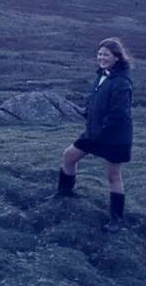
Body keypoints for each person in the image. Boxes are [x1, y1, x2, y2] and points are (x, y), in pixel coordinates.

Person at [56, 37, 134, 232]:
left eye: (106, 55)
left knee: (113, 175)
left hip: (114, 136)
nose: (101, 58)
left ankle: (116, 220)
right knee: (69, 156)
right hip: (94, 132)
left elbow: (119, 113)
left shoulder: (122, 81)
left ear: (117, 57)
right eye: (99, 54)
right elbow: (96, 100)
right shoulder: (102, 74)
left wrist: (101, 128)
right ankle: (65, 193)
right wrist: (87, 112)